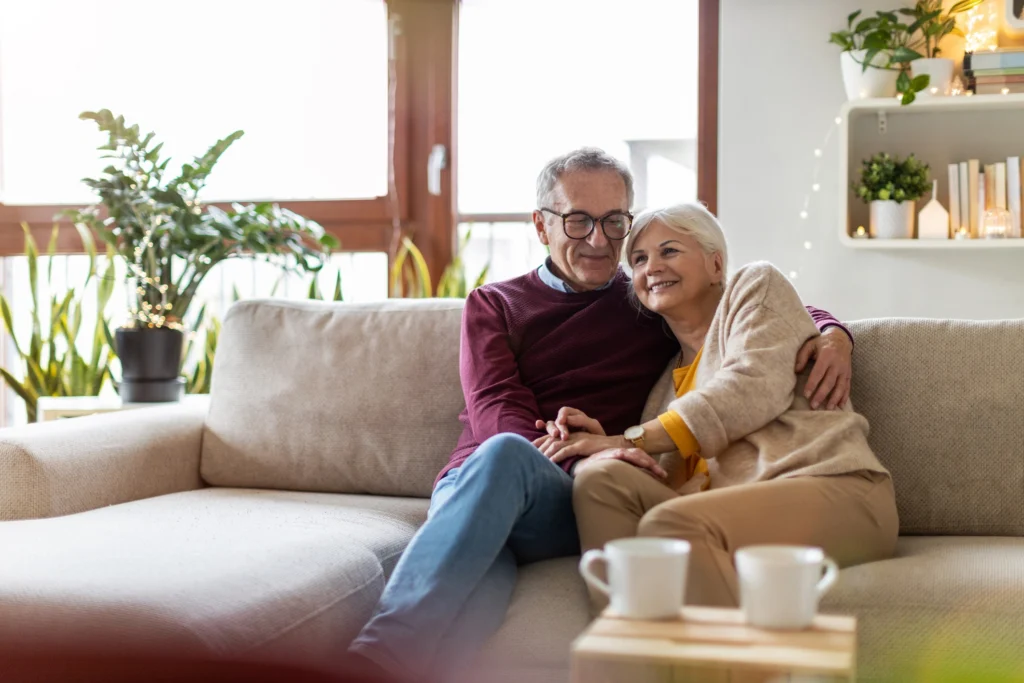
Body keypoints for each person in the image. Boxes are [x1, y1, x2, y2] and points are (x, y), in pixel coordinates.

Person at [347, 149, 855, 682]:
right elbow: (496, 409)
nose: (598, 239)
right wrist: (588, 454)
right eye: (578, 220)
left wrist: (832, 333)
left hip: (581, 498)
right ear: (541, 226)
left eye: (614, 222)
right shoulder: (494, 304)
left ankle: (366, 664)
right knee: (477, 580)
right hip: (487, 481)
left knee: (508, 498)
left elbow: (742, 305)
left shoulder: (645, 294)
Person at [539, 202, 898, 611]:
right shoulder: (663, 390)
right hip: (735, 513)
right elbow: (672, 476)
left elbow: (746, 389)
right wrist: (610, 448)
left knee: (672, 526)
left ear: (715, 264)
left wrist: (631, 439)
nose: (651, 266)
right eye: (639, 259)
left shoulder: (755, 288)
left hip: (837, 490)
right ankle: (633, 645)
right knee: (600, 481)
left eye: (669, 251)